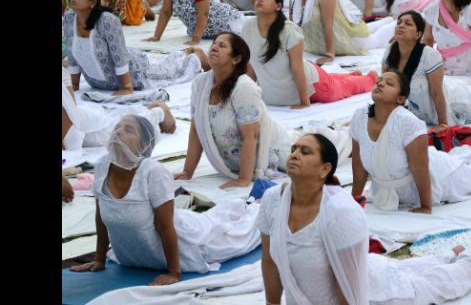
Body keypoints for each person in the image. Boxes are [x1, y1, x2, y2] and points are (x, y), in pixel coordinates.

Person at [70, 115, 262, 285]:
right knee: (219, 217)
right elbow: (101, 218)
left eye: (128, 130)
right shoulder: (103, 166)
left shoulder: (153, 172)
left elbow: (165, 226)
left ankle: (260, 205)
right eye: (117, 127)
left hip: (188, 243)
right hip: (137, 256)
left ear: (143, 144)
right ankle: (245, 206)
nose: (118, 132)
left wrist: (173, 272)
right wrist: (100, 259)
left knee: (243, 235)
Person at [350, 71, 471, 213]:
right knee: (458, 160)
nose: (380, 83)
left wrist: (426, 205)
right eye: (379, 81)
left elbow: (420, 167)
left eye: (389, 83)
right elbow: (358, 162)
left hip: (436, 177)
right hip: (387, 188)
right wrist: (355, 199)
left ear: (400, 99)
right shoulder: (360, 116)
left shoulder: (407, 122)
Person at [258, 133, 370, 304]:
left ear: (324, 169)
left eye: (305, 152)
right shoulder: (272, 200)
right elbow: (269, 261)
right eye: (293, 149)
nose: (294, 155)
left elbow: (349, 286)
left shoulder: (341, 213)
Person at [174, 32, 292, 187]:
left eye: (222, 45)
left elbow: (250, 137)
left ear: (236, 59)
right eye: (214, 44)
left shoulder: (244, 88)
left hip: (280, 152)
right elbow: (197, 131)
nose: (214, 47)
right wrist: (187, 172)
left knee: (327, 151)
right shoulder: (200, 84)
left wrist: (243, 179)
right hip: (234, 165)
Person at [243, 0, 376, 108]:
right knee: (335, 80)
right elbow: (250, 65)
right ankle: (351, 75)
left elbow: (297, 68)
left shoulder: (289, 31)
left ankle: (371, 78)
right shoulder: (248, 26)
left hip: (313, 85)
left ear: (278, 6)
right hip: (278, 93)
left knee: (344, 87)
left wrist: (304, 102)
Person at [63, 0, 201, 94]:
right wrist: (74, 85)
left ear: (92, 3)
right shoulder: (69, 18)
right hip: (97, 83)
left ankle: (196, 55)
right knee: (159, 63)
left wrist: (127, 87)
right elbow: (72, 55)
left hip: (133, 74)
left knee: (173, 72)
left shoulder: (106, 20)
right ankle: (185, 52)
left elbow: (120, 55)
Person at [382, 11, 471, 127]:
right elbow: (386, 88)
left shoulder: (429, 55)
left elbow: (437, 93)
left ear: (418, 34)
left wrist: (443, 124)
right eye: (399, 23)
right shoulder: (389, 52)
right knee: (470, 88)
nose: (401, 26)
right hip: (422, 106)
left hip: (451, 100)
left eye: (407, 24)